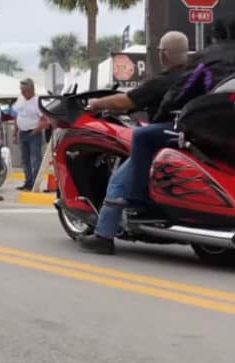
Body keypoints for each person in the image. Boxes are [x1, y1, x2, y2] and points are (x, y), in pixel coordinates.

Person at [77, 31, 190, 255]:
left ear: (164, 55)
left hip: (163, 138)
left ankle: (104, 235)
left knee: (118, 183)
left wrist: (97, 103)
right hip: (187, 136)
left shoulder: (163, 81)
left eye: (160, 51)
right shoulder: (194, 76)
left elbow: (127, 100)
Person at [14, 78, 45, 191]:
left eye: (24, 90)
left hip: (33, 133)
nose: (22, 92)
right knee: (25, 159)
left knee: (35, 159)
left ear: (31, 89)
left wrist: (37, 130)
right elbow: (17, 116)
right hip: (22, 132)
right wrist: (15, 132)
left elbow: (44, 118)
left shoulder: (37, 101)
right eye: (21, 90)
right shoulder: (20, 99)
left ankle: (34, 183)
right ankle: (28, 182)